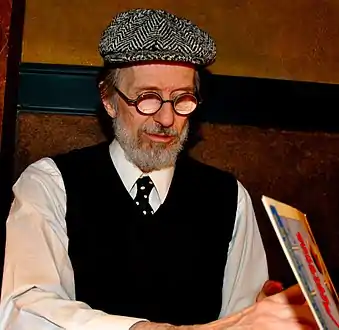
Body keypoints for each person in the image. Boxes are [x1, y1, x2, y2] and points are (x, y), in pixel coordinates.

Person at [0, 8, 316, 330]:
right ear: (109, 100)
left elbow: (242, 318)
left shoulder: (229, 197)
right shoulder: (50, 184)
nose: (167, 120)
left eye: (182, 99)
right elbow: (24, 307)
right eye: (147, 98)